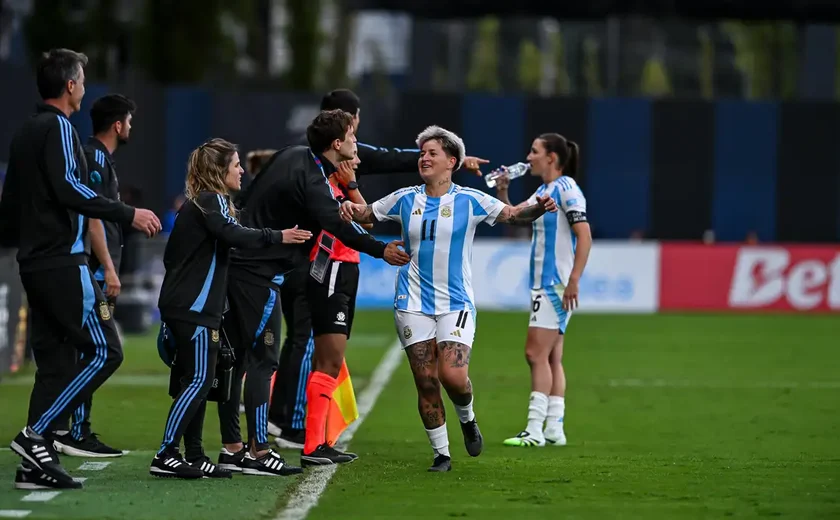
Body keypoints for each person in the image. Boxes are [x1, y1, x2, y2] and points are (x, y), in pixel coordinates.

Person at [269, 88, 488, 449]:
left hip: (320, 262)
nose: (357, 139)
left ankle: (293, 429)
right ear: (345, 128)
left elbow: (392, 161)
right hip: (325, 262)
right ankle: (293, 429)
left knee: (307, 346)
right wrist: (379, 248)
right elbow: (358, 219)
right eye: (352, 131)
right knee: (311, 349)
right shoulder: (322, 167)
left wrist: (456, 161)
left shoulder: (309, 159)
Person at [339, 125, 557, 472]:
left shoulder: (470, 200)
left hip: (455, 304)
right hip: (411, 303)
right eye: (422, 153)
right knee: (426, 381)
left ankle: (467, 419)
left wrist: (538, 208)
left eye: (432, 153)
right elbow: (367, 215)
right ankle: (441, 454)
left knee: (453, 377)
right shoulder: (404, 197)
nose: (424, 158)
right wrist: (348, 206)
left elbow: (514, 216)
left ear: (451, 161)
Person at [0, 48, 161, 490]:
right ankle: (35, 436)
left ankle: (35, 465)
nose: (86, 87)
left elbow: (10, 205)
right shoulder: (59, 129)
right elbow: (72, 189)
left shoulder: (25, 132)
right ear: (70, 86)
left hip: (32, 263)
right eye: (84, 79)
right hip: (62, 262)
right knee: (105, 350)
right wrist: (128, 214)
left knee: (53, 366)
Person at [151, 138, 311, 479]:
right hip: (194, 308)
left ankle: (193, 453)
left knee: (196, 381)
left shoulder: (198, 204)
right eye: (235, 165)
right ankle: (166, 453)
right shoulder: (213, 201)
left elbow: (176, 256)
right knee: (198, 380)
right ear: (219, 171)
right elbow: (234, 234)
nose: (241, 170)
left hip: (186, 305)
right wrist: (277, 236)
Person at [50, 94, 137, 459]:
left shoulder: (100, 158)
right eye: (130, 121)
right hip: (95, 270)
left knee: (91, 350)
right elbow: (93, 216)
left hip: (97, 268)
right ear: (117, 124)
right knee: (97, 350)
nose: (132, 127)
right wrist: (109, 268)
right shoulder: (95, 158)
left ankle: (75, 428)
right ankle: (72, 430)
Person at [493, 134, 592, 448]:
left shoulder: (566, 190)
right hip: (547, 283)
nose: (529, 156)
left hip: (555, 284)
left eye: (534, 151)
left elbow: (585, 235)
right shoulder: (543, 191)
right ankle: (554, 428)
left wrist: (574, 279)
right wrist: (503, 189)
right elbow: (517, 217)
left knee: (534, 353)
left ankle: (534, 429)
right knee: (551, 357)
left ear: (551, 158)